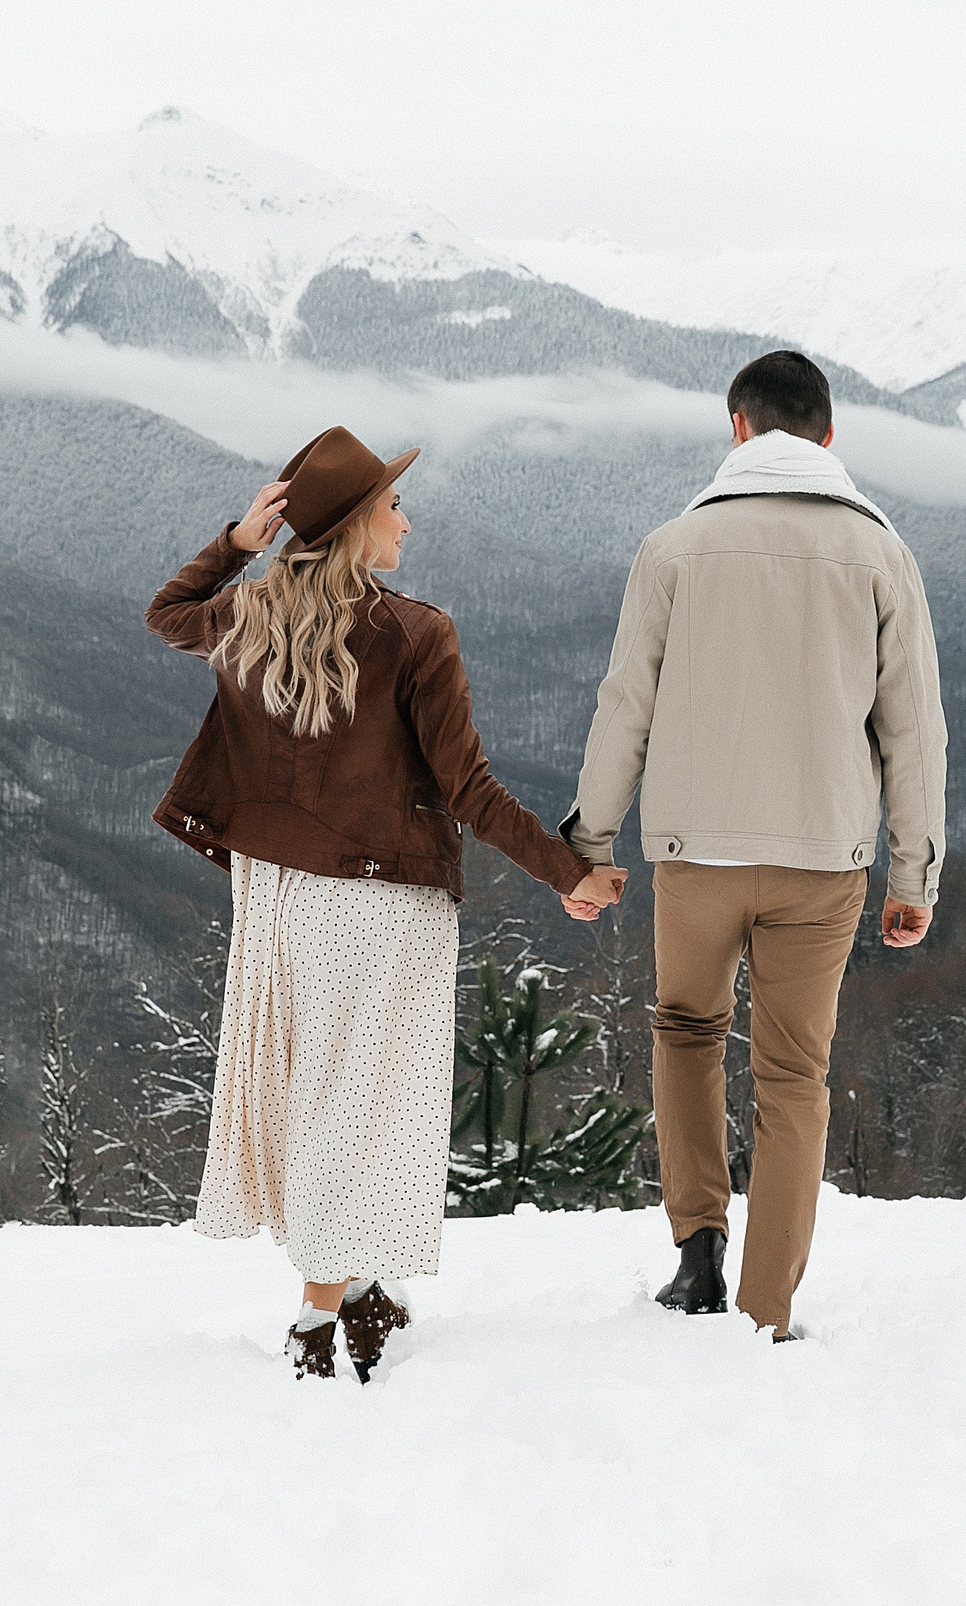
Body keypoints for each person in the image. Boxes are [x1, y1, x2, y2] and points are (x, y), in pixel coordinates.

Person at [146, 426, 626, 1381]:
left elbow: (168, 612)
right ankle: (318, 1321)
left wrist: (238, 543)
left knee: (318, 1095)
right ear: (358, 524)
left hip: (276, 894)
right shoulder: (415, 634)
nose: (406, 521)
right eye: (393, 506)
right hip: (376, 903)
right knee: (358, 1105)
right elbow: (469, 789)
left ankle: (362, 1294)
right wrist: (566, 871)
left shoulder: (250, 614)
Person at [563, 351, 948, 1340]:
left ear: (738, 428)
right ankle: (765, 1309)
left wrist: (590, 843)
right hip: (823, 859)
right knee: (792, 1075)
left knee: (686, 1030)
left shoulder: (673, 548)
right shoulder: (881, 553)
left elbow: (625, 706)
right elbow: (913, 730)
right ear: (828, 434)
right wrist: (913, 874)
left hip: (695, 852)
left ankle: (698, 1249)